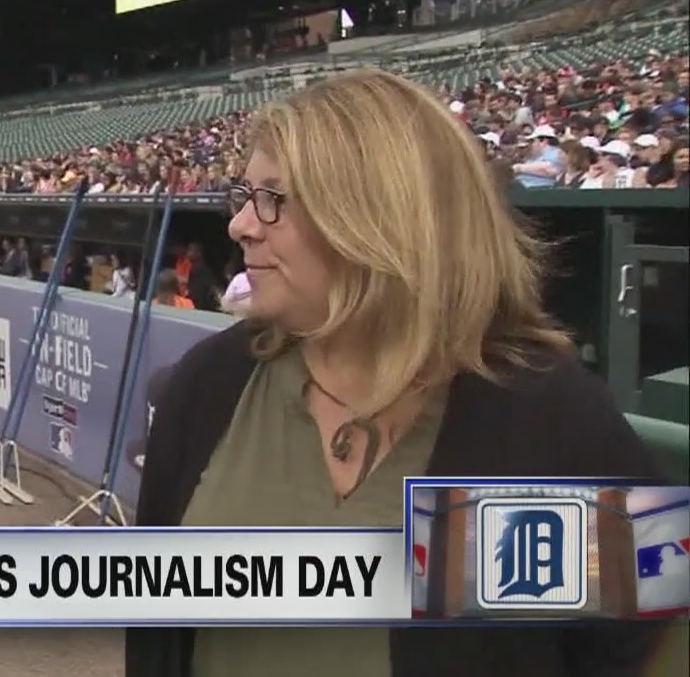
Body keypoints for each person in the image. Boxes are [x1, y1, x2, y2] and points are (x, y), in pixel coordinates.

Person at [127, 68, 668, 677]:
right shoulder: (210, 382)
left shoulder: (554, 420)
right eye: (245, 195)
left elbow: (637, 647)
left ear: (379, 219)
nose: (241, 225)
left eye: (275, 199)